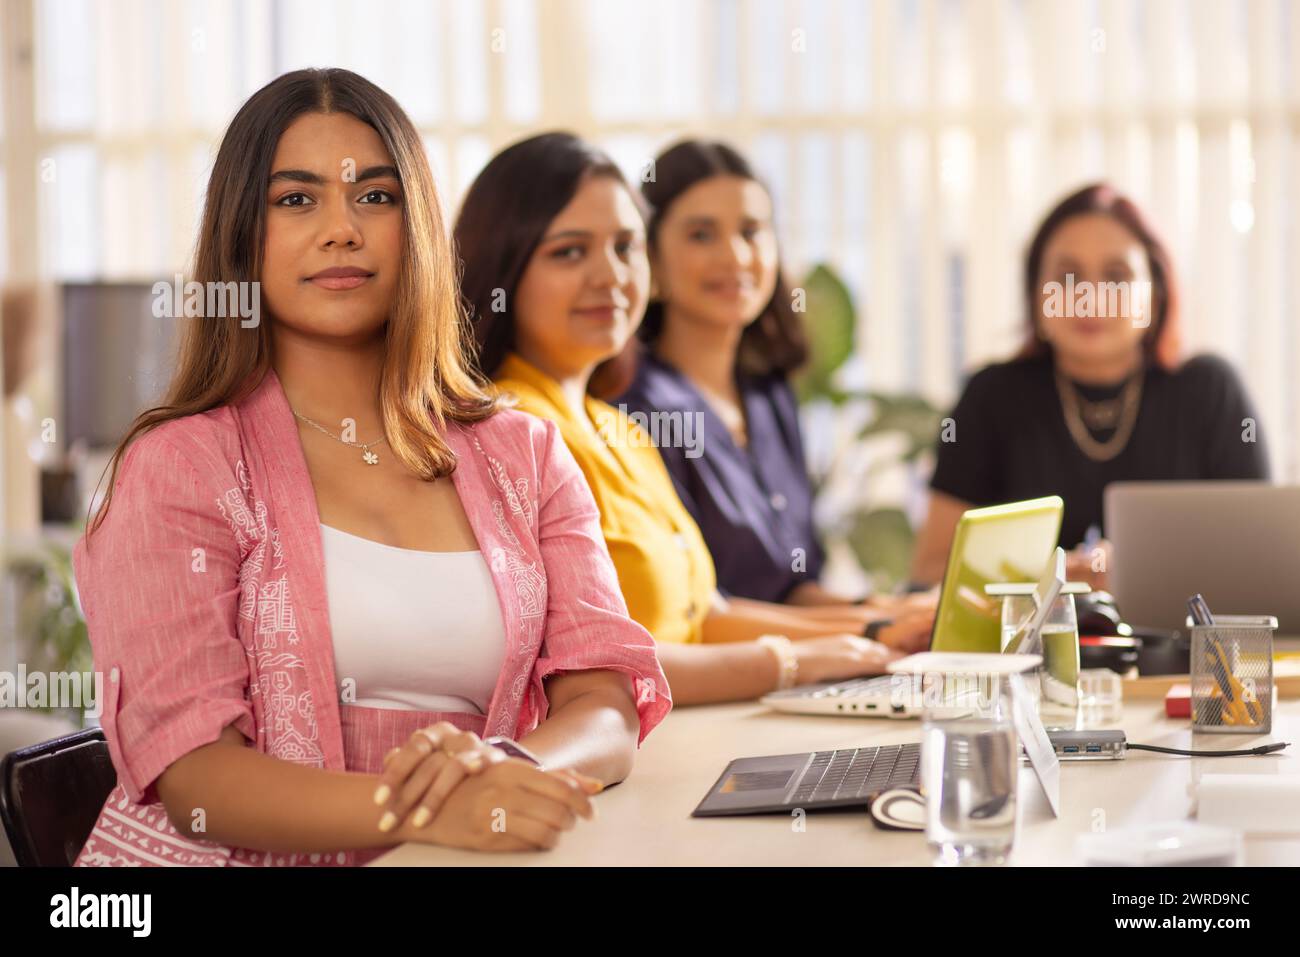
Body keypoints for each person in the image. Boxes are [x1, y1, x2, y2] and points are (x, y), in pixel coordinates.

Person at [72, 70, 669, 867]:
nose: (340, 230)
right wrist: (435, 808)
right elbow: (197, 779)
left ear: (415, 224)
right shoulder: (179, 465)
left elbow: (604, 700)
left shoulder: (523, 453)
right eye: (296, 199)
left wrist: (509, 769)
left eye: (375, 197)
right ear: (242, 234)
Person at [455, 133, 932, 706]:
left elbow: (706, 613)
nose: (609, 276)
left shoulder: (618, 428)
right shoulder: (508, 433)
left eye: (624, 247)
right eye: (569, 251)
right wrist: (793, 660)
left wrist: (873, 636)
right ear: (504, 269)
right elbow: (594, 664)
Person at [911, 183, 1269, 589]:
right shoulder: (991, 396)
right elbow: (928, 572)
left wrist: (1139, 573)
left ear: (1155, 296)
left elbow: (1262, 565)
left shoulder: (1210, 391)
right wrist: (1051, 579)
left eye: (1117, 276)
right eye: (1067, 276)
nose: (1091, 296)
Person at [612, 139, 852, 606]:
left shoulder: (770, 395)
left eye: (752, 231)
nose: (736, 257)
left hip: (816, 664)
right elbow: (697, 610)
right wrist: (871, 627)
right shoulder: (634, 407)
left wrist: (887, 612)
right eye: (702, 235)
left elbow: (797, 587)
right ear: (652, 257)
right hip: (721, 673)